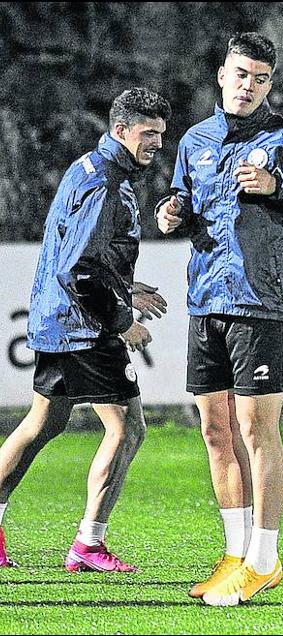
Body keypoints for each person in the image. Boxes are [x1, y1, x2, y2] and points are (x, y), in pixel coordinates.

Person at [156, 32, 283, 605]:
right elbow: (185, 202)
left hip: (265, 303)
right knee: (215, 431)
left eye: (260, 78)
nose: (249, 86)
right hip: (206, 299)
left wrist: (278, 185)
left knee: (257, 431)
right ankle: (236, 553)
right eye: (241, 74)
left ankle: (264, 559)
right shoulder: (195, 141)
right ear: (221, 74)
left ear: (270, 83)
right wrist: (172, 214)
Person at [0, 88, 170, 572]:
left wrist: (125, 285)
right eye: (148, 132)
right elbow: (79, 269)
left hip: (62, 319)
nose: (157, 141)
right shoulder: (107, 183)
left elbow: (83, 256)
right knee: (128, 428)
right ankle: (89, 545)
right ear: (121, 130)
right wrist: (122, 321)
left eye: (160, 133)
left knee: (43, 424)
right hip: (84, 326)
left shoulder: (93, 167)